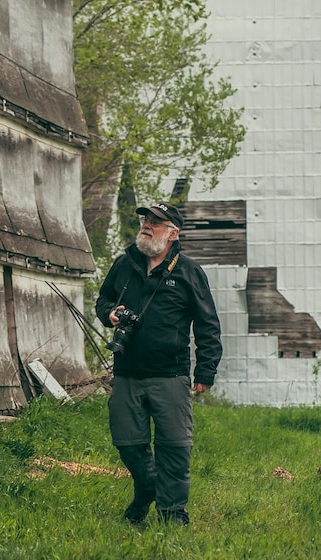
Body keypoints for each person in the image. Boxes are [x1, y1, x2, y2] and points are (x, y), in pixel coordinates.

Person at [95, 202, 222, 526]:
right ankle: (146, 489)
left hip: (170, 373)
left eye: (156, 222)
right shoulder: (124, 264)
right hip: (127, 372)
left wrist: (205, 370)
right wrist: (110, 313)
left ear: (173, 234)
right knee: (127, 442)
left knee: (174, 447)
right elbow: (103, 299)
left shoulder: (189, 272)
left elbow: (207, 324)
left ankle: (172, 513)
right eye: (145, 220)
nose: (147, 225)